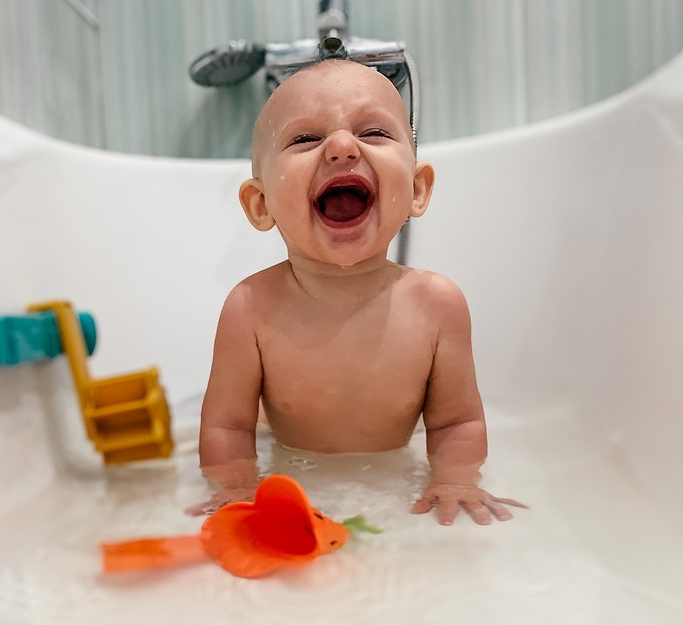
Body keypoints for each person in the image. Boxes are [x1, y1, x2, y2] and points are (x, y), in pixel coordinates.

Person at [196, 59, 525, 525]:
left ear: (416, 189)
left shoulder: (437, 305)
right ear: (261, 203)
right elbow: (227, 426)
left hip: (392, 485)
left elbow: (457, 422)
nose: (342, 147)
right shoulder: (250, 308)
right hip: (292, 478)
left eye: (372, 133)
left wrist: (455, 480)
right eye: (306, 139)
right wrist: (235, 489)